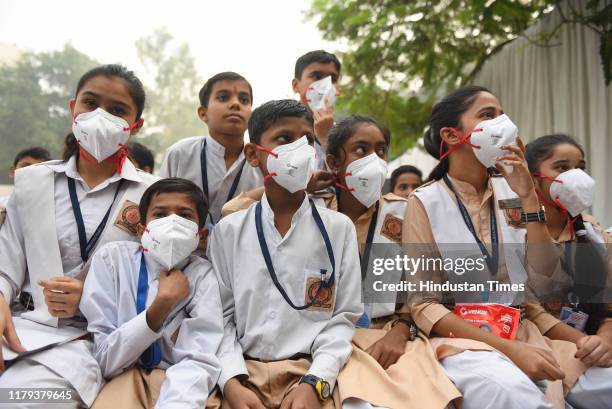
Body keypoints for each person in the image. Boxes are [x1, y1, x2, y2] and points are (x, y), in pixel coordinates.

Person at [404, 85, 580, 409]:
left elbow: (546, 281)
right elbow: (425, 305)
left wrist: (528, 196)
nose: (504, 125)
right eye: (488, 115)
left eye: (502, 115)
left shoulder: (514, 192)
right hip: (464, 342)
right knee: (513, 394)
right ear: (452, 135)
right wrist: (508, 349)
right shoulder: (425, 202)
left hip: (523, 331)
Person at [0, 64, 158, 408]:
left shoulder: (154, 196)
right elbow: (6, 263)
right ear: (74, 109)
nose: (100, 115)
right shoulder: (34, 181)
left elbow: (160, 284)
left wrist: (92, 297)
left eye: (117, 110)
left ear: (136, 124)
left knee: (18, 401)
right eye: (91, 103)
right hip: (18, 324)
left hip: (88, 341)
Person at [207, 99, 362, 409]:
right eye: (283, 139)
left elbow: (344, 317)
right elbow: (218, 319)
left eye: (306, 139)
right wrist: (231, 383)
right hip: (242, 372)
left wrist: (316, 382)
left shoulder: (338, 229)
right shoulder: (229, 231)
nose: (299, 149)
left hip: (311, 371)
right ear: (253, 154)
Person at [325, 116, 460, 409]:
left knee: (425, 398)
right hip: (325, 338)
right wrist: (308, 184)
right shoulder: (313, 212)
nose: (374, 159)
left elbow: (427, 292)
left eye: (381, 151)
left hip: (391, 333)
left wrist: (401, 332)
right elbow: (236, 210)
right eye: (361, 150)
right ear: (334, 163)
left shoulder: (406, 211)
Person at [81, 178, 223, 408]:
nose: (172, 223)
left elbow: (198, 359)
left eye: (185, 216)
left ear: (201, 235)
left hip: (179, 381)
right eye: (160, 214)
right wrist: (161, 306)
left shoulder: (203, 275)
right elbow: (105, 359)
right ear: (141, 229)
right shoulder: (112, 260)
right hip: (123, 377)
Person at [525, 133, 612, 409]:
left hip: (596, 347)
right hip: (545, 347)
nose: (576, 177)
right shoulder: (512, 231)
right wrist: (585, 342)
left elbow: (609, 309)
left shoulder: (593, 231)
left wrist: (604, 340)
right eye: (562, 168)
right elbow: (529, 311)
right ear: (531, 177)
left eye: (580, 167)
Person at [159, 72, 262, 223]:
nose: (236, 104)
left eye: (244, 100)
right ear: (203, 113)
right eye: (223, 97)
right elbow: (159, 206)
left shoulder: (261, 160)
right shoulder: (180, 153)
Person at [293, 50, 342, 170]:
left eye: (333, 79)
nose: (326, 85)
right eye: (317, 76)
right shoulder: (278, 127)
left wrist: (327, 139)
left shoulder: (343, 134)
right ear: (296, 86)